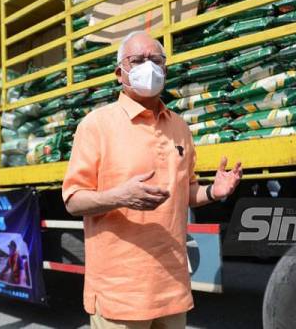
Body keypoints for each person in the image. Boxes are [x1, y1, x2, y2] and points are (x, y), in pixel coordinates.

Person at [62, 31, 242, 329]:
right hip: (120, 294)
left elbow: (185, 191)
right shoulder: (97, 125)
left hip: (172, 288)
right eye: (138, 60)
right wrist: (120, 196)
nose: (149, 67)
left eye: (156, 60)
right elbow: (73, 201)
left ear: (165, 69)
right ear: (120, 73)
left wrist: (213, 191)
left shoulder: (179, 126)